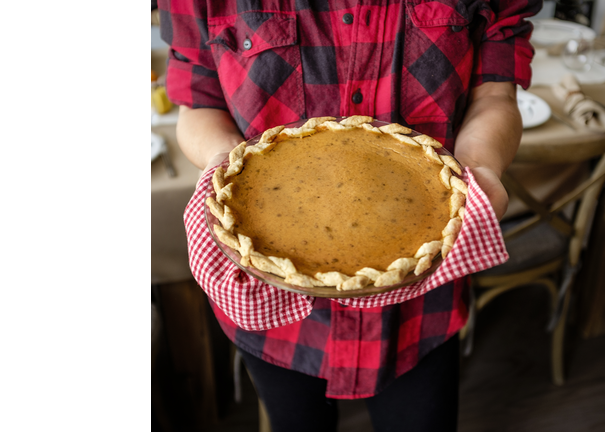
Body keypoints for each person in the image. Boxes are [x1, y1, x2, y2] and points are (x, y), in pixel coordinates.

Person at [159, 0, 541, 430]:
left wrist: (481, 167)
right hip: (273, 311)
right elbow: (198, 101)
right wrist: (223, 160)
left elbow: (494, 93)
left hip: (421, 307)